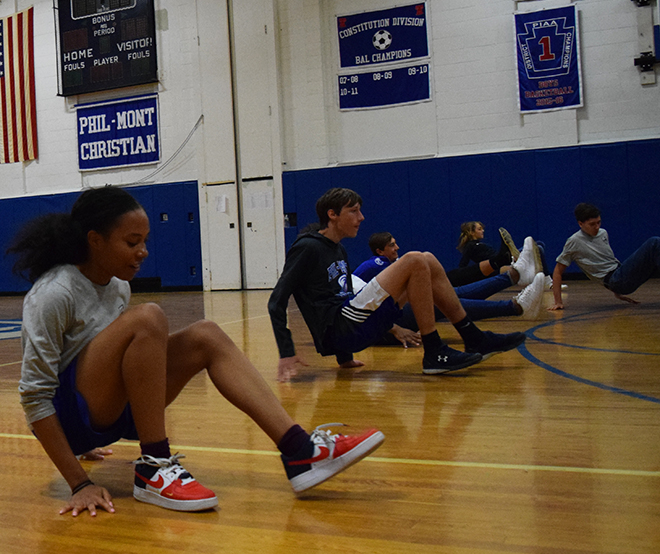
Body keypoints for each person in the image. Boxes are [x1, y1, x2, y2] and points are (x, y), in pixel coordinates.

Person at [9, 186, 384, 517]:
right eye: (132, 242)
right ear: (94, 240)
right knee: (148, 318)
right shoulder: (54, 293)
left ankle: (299, 450)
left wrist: (90, 437)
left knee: (206, 334)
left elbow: (119, 361)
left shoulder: (118, 286)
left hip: (106, 418)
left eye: (144, 241)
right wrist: (79, 481)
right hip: (69, 423)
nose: (143, 252)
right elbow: (35, 396)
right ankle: (155, 464)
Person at [268, 187, 528, 380]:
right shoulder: (307, 248)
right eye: (354, 211)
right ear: (332, 214)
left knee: (427, 260)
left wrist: (344, 358)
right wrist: (286, 351)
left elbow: (339, 293)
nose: (362, 217)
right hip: (341, 326)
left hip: (352, 328)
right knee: (414, 259)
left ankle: (473, 337)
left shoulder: (338, 249)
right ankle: (434, 351)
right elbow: (276, 301)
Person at [354, 231, 545, 348]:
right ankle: (514, 301)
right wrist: (394, 328)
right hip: (379, 327)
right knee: (437, 297)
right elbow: (357, 312)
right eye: (392, 245)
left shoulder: (372, 264)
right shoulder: (376, 263)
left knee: (445, 292)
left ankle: (514, 276)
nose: (397, 247)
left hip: (380, 320)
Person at [549, 202, 660, 310]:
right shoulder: (574, 241)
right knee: (654, 243)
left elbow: (607, 263)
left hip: (620, 276)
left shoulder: (603, 233)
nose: (597, 227)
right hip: (616, 280)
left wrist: (618, 293)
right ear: (580, 224)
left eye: (599, 222)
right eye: (592, 224)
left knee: (655, 256)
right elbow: (558, 271)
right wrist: (558, 302)